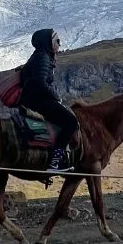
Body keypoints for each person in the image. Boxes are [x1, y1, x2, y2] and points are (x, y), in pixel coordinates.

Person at [18, 28, 78, 172]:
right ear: (48, 42)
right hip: (38, 102)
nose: (59, 45)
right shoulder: (43, 57)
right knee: (71, 122)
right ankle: (55, 162)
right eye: (57, 41)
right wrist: (56, 97)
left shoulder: (40, 56)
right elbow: (41, 83)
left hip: (33, 100)